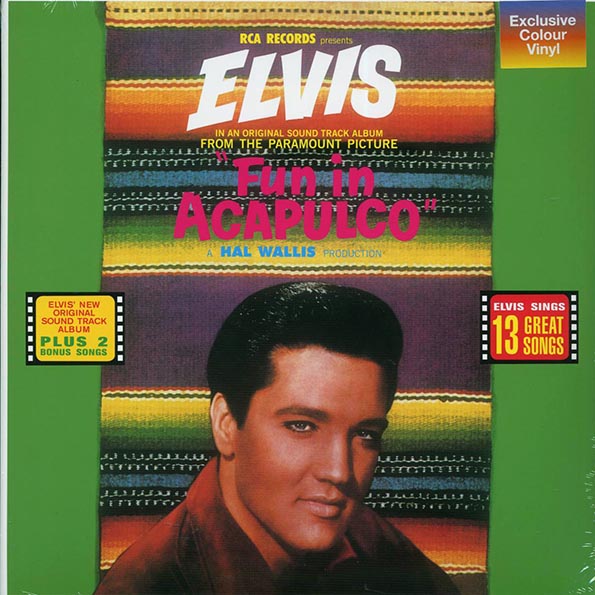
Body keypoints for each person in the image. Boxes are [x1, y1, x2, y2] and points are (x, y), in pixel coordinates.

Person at [95, 282, 459, 595]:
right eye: (302, 426)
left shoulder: (376, 548)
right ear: (225, 424)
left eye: (365, 434)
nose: (339, 472)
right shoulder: (149, 583)